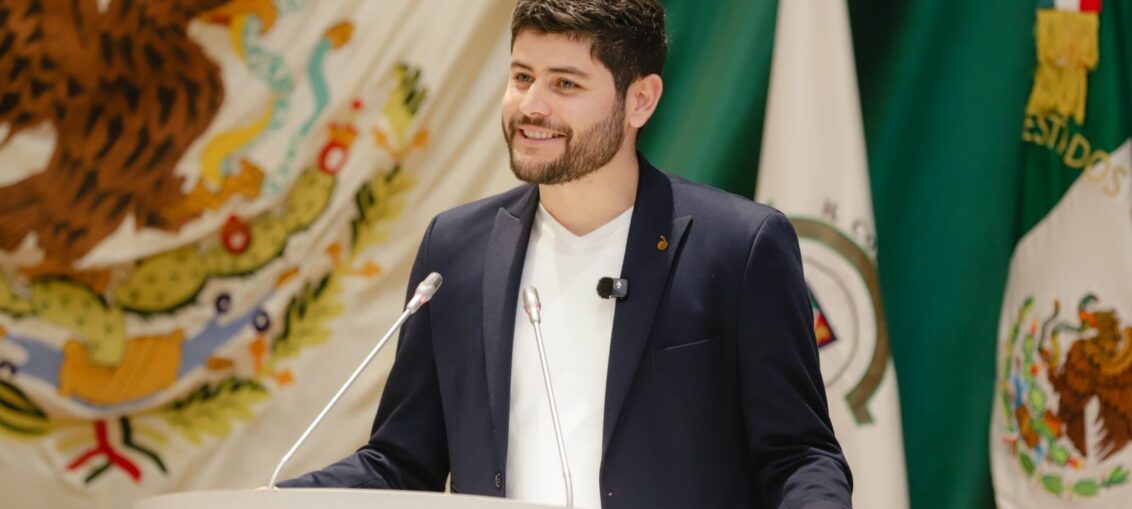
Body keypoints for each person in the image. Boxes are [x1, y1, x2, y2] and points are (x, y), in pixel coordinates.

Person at [279, 1, 853, 507]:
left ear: (640, 100)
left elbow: (798, 457)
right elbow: (403, 461)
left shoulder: (738, 247)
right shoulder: (454, 250)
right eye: (522, 77)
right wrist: (270, 503)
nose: (532, 106)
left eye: (565, 84)